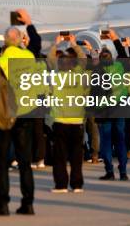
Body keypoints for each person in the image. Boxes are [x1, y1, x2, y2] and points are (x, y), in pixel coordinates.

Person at [0, 8, 41, 216]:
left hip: (6, 116)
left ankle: (3, 203)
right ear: (19, 40)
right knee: (25, 162)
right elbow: (36, 43)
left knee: (2, 162)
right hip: (27, 113)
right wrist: (29, 22)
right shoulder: (28, 56)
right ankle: (28, 203)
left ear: (5, 42)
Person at [49, 36, 89, 193]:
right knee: (76, 156)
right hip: (77, 120)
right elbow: (83, 59)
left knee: (60, 157)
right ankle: (77, 184)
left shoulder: (56, 75)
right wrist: (74, 44)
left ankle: (61, 185)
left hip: (60, 120)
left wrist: (56, 43)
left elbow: (50, 59)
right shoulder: (80, 74)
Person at [92, 45, 129, 181]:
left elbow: (93, 93)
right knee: (120, 140)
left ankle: (109, 171)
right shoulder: (119, 67)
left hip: (104, 110)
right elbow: (123, 55)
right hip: (119, 108)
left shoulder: (97, 71)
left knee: (106, 142)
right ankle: (123, 171)